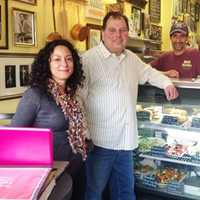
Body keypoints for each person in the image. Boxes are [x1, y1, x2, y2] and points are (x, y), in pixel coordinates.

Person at [81, 11, 178, 200]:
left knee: (125, 193)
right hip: (101, 143)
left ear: (128, 33)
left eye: (123, 30)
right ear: (103, 33)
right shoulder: (88, 60)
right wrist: (85, 136)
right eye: (112, 30)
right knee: (94, 193)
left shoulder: (131, 58)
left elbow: (149, 73)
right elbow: (79, 100)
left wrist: (166, 82)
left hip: (125, 142)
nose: (118, 35)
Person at [11, 39, 87, 200]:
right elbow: (14, 139)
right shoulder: (35, 95)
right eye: (57, 59)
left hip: (76, 167)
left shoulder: (70, 94)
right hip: (50, 175)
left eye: (68, 58)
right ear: (47, 63)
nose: (64, 64)